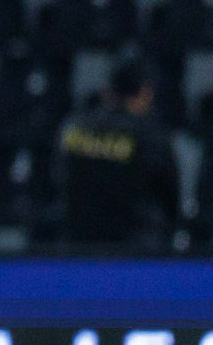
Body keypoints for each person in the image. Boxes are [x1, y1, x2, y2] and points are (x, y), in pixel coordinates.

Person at [58, 63, 179, 251]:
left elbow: (59, 176)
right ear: (145, 93)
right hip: (135, 247)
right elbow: (169, 193)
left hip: (78, 244)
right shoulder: (149, 135)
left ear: (108, 91)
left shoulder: (76, 128)